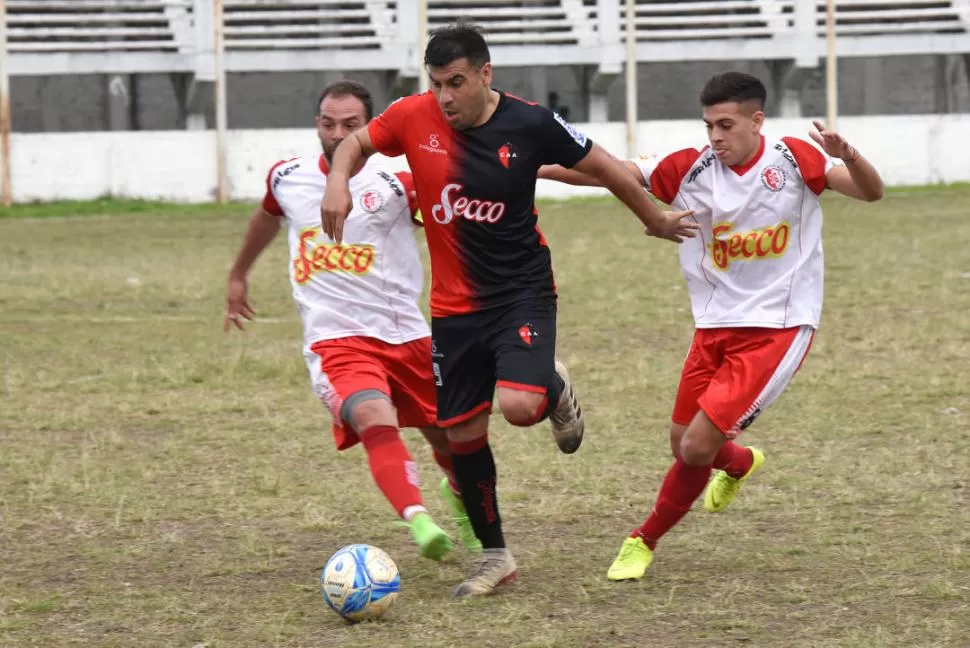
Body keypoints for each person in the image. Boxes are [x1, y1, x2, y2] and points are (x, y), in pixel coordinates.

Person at [320, 22, 698, 598]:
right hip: (452, 310)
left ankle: (549, 384)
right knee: (462, 434)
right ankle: (496, 557)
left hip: (521, 291)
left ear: (484, 75)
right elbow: (354, 143)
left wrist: (652, 217)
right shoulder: (411, 115)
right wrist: (338, 184)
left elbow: (601, 165)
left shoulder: (532, 123)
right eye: (437, 84)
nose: (445, 97)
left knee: (519, 407)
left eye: (456, 82)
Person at [539, 71, 885, 581]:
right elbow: (606, 172)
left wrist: (848, 153)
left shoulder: (792, 159)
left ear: (756, 120)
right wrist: (533, 168)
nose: (716, 137)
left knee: (697, 446)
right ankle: (741, 462)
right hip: (714, 326)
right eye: (709, 126)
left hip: (779, 328)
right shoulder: (690, 168)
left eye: (726, 125)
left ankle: (642, 539)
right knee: (682, 440)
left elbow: (870, 192)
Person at [224, 79, 484, 563]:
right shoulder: (288, 177)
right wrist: (239, 275)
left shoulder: (398, 182)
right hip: (336, 339)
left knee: (450, 437)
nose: (337, 133)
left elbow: (454, 225)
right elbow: (266, 216)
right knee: (371, 416)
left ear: (371, 127)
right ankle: (419, 520)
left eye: (350, 124)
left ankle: (461, 500)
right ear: (316, 124)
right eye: (327, 123)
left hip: (406, 335)